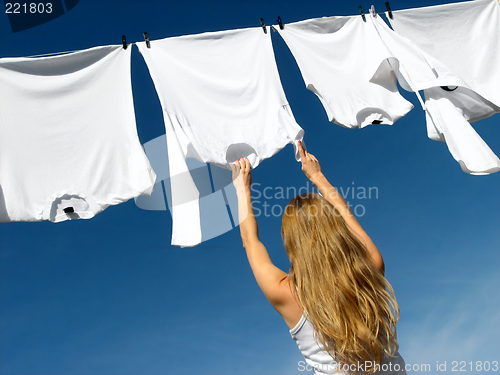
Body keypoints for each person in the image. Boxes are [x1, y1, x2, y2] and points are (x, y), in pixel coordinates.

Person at [232, 141, 407, 375]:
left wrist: (242, 189)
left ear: (292, 244)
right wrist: (317, 176)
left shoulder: (285, 294)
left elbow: (250, 241)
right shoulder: (370, 267)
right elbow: (347, 216)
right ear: (335, 227)